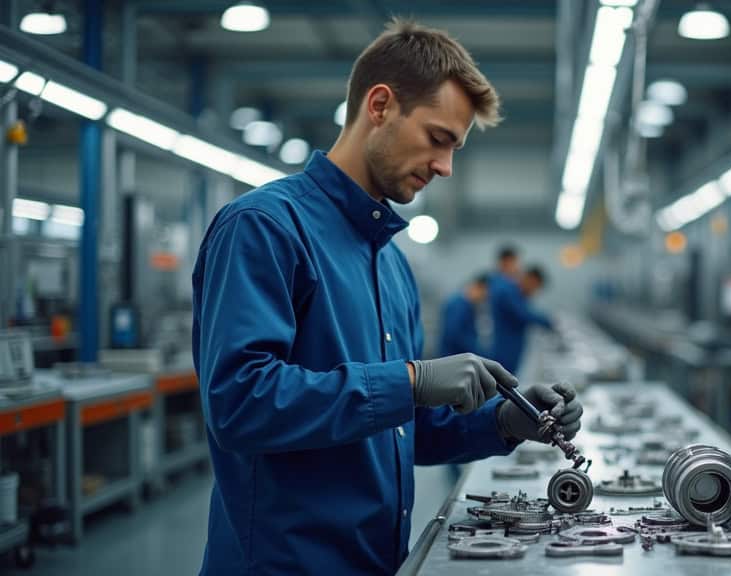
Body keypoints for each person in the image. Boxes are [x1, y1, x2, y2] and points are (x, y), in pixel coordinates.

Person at [191, 20, 583, 575]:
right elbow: (239, 403)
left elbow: (397, 429)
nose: (446, 167)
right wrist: (412, 380)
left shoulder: (390, 262)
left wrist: (502, 423)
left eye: (455, 148)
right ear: (379, 105)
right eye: (438, 138)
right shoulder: (264, 227)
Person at [490, 258, 555, 374]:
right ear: (531, 279)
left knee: (508, 381)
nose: (534, 292)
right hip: (505, 348)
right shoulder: (507, 291)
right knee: (503, 381)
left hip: (512, 347)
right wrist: (548, 321)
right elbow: (523, 314)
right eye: (536, 287)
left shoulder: (517, 293)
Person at [437, 273, 488, 357]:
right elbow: (454, 335)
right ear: (479, 287)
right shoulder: (458, 306)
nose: (483, 299)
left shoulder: (465, 305)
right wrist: (476, 352)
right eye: (483, 295)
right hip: (453, 358)